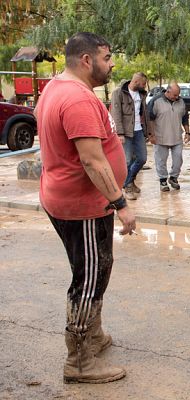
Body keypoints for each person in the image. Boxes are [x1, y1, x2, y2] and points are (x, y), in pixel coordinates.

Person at [34, 32, 135, 384]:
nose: (112, 65)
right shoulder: (77, 100)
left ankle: (92, 335)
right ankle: (79, 360)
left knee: (94, 269)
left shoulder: (56, 87)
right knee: (89, 278)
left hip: (68, 198)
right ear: (87, 60)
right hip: (83, 206)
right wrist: (121, 203)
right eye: (107, 58)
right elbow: (93, 162)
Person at [110, 72, 148, 200]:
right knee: (126, 161)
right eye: (143, 84)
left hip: (138, 131)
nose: (145, 86)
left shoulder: (142, 94)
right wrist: (119, 133)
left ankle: (130, 180)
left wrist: (148, 132)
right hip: (125, 133)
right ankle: (127, 187)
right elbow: (116, 114)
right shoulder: (118, 93)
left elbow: (144, 114)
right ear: (136, 82)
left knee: (142, 158)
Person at [147, 81, 190, 191]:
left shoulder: (181, 102)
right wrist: (151, 135)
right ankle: (163, 180)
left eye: (178, 95)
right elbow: (150, 119)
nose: (177, 97)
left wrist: (187, 132)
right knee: (161, 160)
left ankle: (173, 178)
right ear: (168, 91)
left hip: (176, 137)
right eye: (174, 95)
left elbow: (185, 118)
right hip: (160, 137)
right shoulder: (156, 101)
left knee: (178, 160)